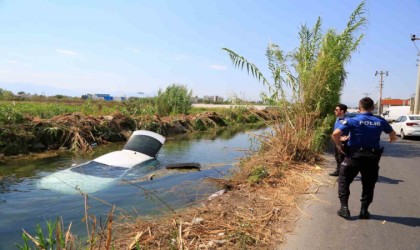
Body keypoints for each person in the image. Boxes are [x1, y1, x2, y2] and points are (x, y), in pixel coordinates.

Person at [331, 97, 397, 219]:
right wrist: (391, 137)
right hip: (372, 159)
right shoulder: (380, 121)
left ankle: (344, 209)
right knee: (368, 185)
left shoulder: (352, 120)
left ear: (359, 108)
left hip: (354, 157)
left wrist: (339, 146)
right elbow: (392, 134)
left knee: (344, 181)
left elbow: (335, 134)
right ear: (372, 108)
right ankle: (364, 211)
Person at [329, 104, 349, 176]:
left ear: (342, 111)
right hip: (336, 141)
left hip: (342, 142)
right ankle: (338, 171)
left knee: (342, 158)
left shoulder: (346, 121)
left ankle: (342, 174)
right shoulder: (337, 119)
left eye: (336, 110)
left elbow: (353, 131)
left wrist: (347, 137)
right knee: (337, 156)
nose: (335, 111)